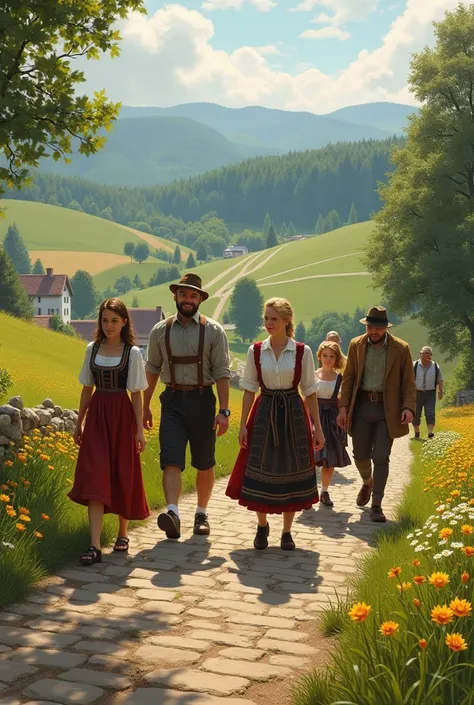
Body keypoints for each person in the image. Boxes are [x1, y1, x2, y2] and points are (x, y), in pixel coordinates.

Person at [226, 297, 325, 551]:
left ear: (286, 321)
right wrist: (243, 425)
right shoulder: (256, 350)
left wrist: (318, 428)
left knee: (291, 469)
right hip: (264, 411)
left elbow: (310, 391)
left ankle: (287, 532)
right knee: (259, 466)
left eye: (274, 319)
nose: (269, 323)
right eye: (266, 318)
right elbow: (249, 389)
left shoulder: (302, 351)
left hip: (293, 412)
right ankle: (262, 526)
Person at [144, 273, 230, 540]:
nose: (188, 299)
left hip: (203, 400)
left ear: (200, 299)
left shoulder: (214, 331)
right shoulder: (160, 331)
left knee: (204, 462)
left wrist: (224, 411)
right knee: (171, 458)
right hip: (171, 400)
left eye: (193, 295)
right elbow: (151, 370)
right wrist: (144, 407)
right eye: (184, 294)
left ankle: (201, 513)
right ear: (176, 297)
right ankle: (173, 514)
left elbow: (222, 372)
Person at [70, 298, 149, 566]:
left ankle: (123, 533)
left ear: (124, 321)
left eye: (114, 320)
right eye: (104, 320)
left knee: (122, 472)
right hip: (97, 417)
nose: (109, 325)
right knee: (95, 476)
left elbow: (136, 394)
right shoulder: (91, 349)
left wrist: (139, 430)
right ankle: (94, 545)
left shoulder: (133, 353)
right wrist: (78, 422)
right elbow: (86, 389)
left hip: (122, 417)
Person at [337, 306, 416, 523]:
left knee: (381, 456)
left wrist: (408, 407)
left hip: (386, 409)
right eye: (370, 327)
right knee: (360, 454)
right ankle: (367, 482)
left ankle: (377, 505)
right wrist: (343, 407)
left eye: (378, 328)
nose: (373, 332)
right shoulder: (356, 345)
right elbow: (349, 378)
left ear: (385, 328)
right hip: (362, 406)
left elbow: (409, 382)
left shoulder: (401, 348)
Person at [313, 341, 351, 507]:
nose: (328, 359)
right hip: (314, 415)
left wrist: (342, 414)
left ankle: (324, 491)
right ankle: (307, 491)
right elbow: (307, 398)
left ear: (336, 359)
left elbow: (341, 400)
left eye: (332, 356)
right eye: (325, 355)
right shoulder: (312, 375)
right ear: (319, 356)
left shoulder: (340, 379)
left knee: (329, 456)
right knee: (310, 455)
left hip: (331, 419)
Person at [412, 346, 444, 440]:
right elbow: (408, 380)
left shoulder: (435, 366)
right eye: (425, 353)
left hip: (430, 393)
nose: (427, 355)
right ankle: (417, 432)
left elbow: (440, 380)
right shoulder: (414, 365)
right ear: (420, 354)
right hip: (416, 393)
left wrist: (440, 391)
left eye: (429, 353)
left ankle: (430, 433)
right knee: (416, 413)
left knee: (430, 412)